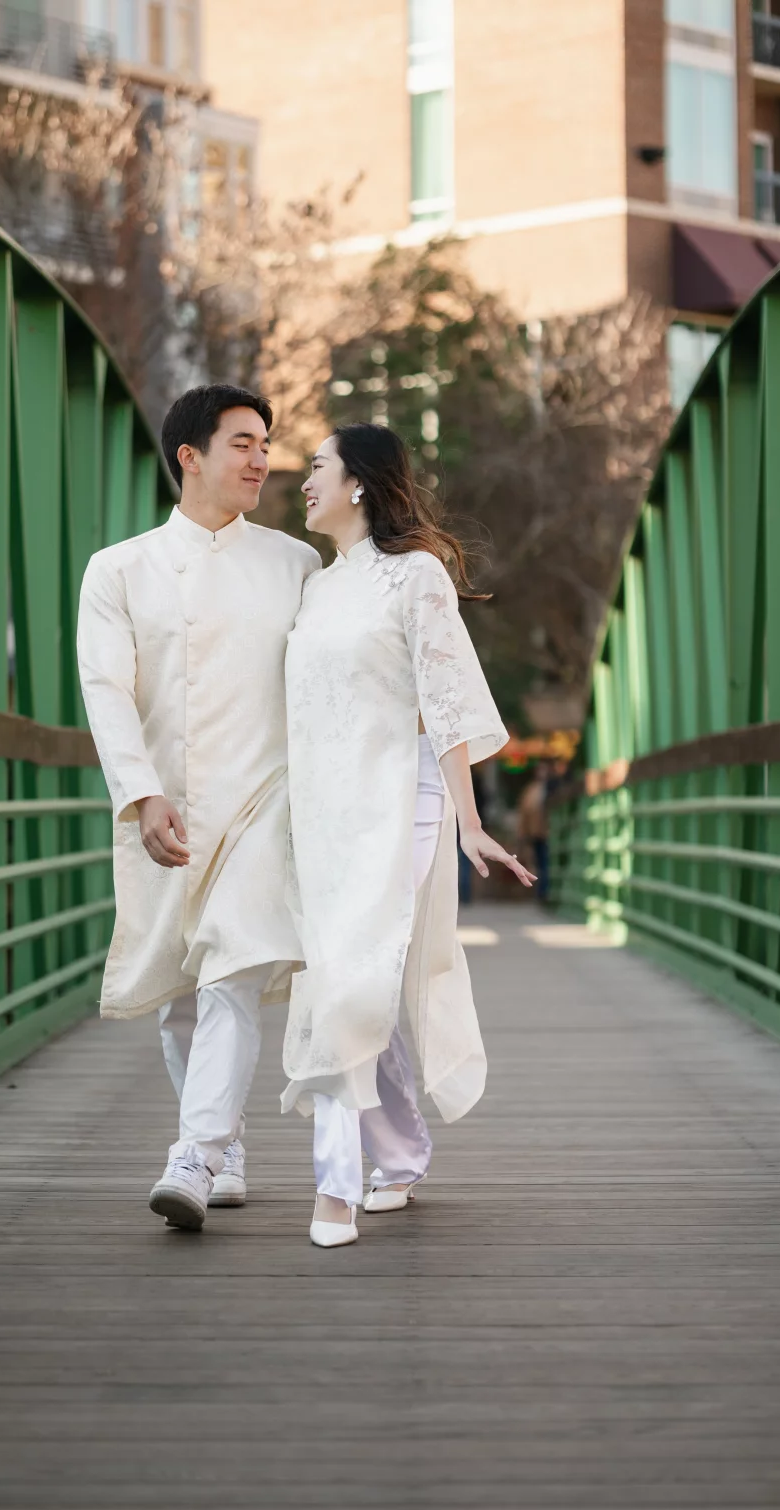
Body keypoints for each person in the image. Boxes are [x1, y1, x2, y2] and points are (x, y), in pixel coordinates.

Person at [282, 423, 536, 1248]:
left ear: (358, 482)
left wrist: (469, 823)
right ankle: (395, 1155)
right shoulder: (319, 587)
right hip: (324, 810)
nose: (305, 481)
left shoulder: (415, 576)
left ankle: (334, 1189)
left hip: (403, 798)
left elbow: (448, 702)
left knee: (349, 981)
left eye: (317, 466)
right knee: (360, 982)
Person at [77, 384, 320, 1232]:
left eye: (267, 445)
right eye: (245, 443)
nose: (263, 460)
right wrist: (140, 795)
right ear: (190, 455)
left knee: (233, 969)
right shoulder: (119, 568)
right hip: (167, 806)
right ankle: (227, 1142)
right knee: (180, 992)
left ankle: (196, 1151)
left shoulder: (297, 564)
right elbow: (106, 689)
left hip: (268, 802)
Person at [517, 761, 551, 902]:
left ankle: (544, 892)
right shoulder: (532, 790)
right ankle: (543, 892)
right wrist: (523, 833)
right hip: (537, 834)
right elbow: (524, 813)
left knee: (545, 863)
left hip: (547, 833)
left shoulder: (549, 788)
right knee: (541, 863)